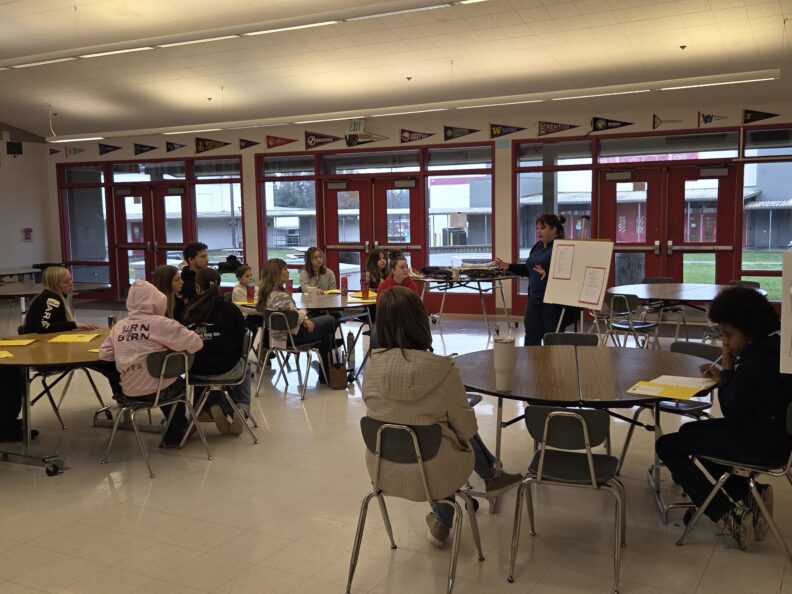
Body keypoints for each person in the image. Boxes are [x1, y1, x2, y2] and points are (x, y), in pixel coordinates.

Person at [363, 286, 522, 547]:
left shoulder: (371, 368)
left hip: (383, 470)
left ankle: (457, 505)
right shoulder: (442, 369)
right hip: (436, 474)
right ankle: (485, 480)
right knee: (448, 431)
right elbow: (467, 430)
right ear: (420, 321)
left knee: (426, 430)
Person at [656, 287, 792, 550]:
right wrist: (727, 376)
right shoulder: (774, 349)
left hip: (759, 444)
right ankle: (749, 493)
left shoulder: (757, 363)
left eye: (728, 335)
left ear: (749, 332)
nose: (725, 343)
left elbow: (731, 408)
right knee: (689, 434)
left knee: (667, 445)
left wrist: (728, 368)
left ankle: (727, 513)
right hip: (775, 437)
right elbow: (750, 394)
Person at [99, 280, 203, 447]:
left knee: (162, 382)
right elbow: (196, 343)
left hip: (129, 391)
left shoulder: (119, 326)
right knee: (176, 383)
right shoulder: (162, 324)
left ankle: (176, 428)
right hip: (161, 391)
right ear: (157, 300)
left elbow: (104, 354)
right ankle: (174, 433)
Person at [23, 265, 123, 400]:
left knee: (108, 360)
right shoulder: (52, 299)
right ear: (55, 284)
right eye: (66, 282)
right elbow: (43, 326)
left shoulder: (50, 297)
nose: (71, 284)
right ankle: (123, 395)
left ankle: (121, 394)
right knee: (109, 361)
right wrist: (75, 324)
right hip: (49, 356)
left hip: (53, 350)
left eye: (70, 279)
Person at [184, 268, 251, 436]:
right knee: (245, 366)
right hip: (227, 368)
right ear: (218, 286)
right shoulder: (231, 310)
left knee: (209, 369)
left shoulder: (188, 311)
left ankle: (212, 406)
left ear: (197, 287)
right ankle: (241, 408)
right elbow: (241, 342)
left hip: (195, 372)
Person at [257, 259, 336, 383]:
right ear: (276, 274)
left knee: (326, 335)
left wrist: (304, 318)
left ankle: (326, 373)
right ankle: (328, 371)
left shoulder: (267, 293)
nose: (288, 272)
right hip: (291, 337)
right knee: (330, 320)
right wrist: (304, 313)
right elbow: (294, 318)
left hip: (275, 337)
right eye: (284, 269)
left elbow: (290, 315)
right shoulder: (282, 296)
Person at [495, 213, 566, 346]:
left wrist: (548, 274)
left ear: (554, 229)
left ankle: (552, 360)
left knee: (552, 337)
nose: (538, 231)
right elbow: (529, 270)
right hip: (535, 298)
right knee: (531, 333)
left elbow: (566, 273)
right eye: (537, 228)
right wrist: (508, 266)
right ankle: (531, 359)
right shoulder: (537, 246)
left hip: (552, 302)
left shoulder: (562, 247)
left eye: (542, 228)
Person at [180, 241, 209, 306]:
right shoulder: (183, 283)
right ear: (191, 259)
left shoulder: (207, 277)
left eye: (206, 256)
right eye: (203, 257)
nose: (207, 260)